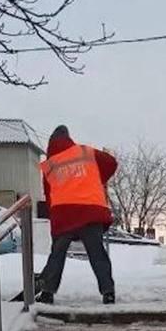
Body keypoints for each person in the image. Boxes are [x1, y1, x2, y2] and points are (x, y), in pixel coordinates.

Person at [38, 125, 117, 305]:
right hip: (90, 211)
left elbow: (49, 196)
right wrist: (96, 180)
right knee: (97, 253)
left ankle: (47, 292)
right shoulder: (85, 153)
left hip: (64, 215)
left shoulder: (50, 165)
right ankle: (108, 292)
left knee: (57, 254)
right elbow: (111, 163)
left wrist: (55, 220)